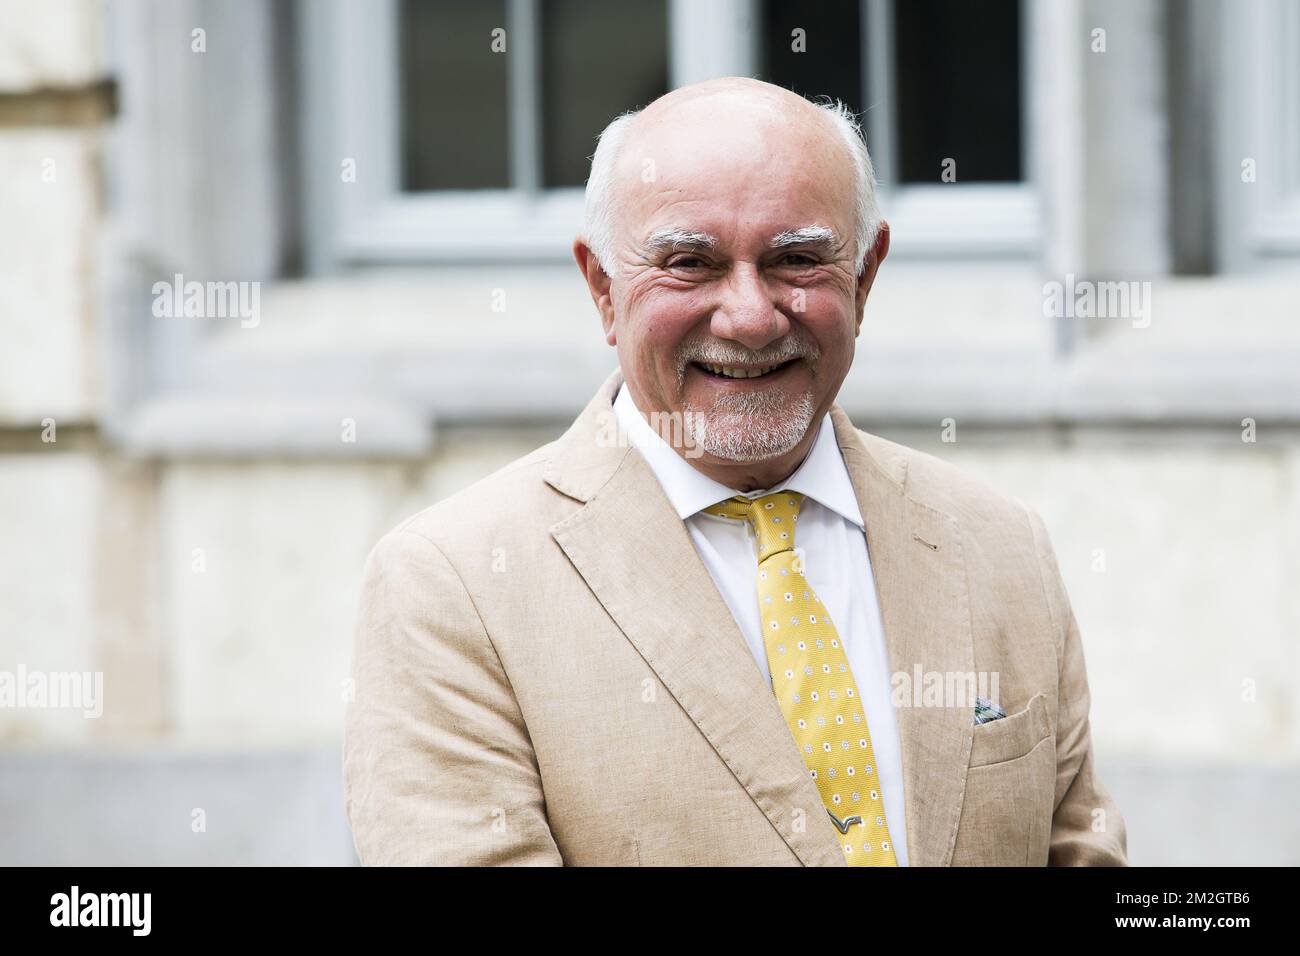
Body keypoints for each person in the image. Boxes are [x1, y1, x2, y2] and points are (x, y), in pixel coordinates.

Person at [343, 76, 1128, 866]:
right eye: (690, 262)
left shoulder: (1000, 547)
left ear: (865, 278)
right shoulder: (454, 587)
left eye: (796, 260)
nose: (751, 317)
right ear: (602, 289)